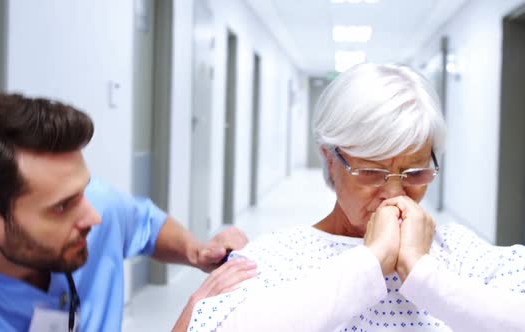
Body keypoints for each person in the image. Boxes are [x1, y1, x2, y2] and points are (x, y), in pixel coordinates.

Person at [188, 63, 525, 331]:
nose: (394, 195)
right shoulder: (278, 257)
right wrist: (370, 261)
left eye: (415, 173)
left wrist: (424, 275)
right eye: (372, 173)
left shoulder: (461, 253)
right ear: (330, 159)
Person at [0, 93, 256, 332]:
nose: (93, 217)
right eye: (61, 206)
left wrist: (195, 250)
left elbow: (146, 224)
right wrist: (194, 322)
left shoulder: (96, 204)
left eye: (83, 191)